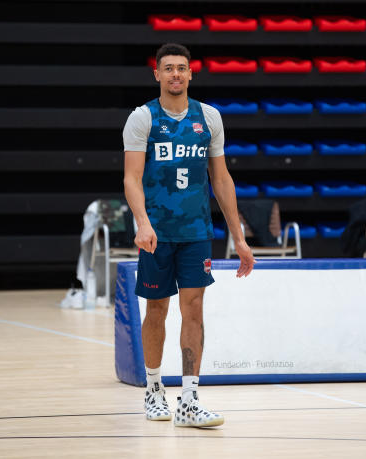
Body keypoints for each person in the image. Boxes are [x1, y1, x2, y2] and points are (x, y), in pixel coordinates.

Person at [122, 43, 255, 428]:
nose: (175, 74)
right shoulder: (142, 118)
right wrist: (142, 222)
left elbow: (221, 178)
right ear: (157, 74)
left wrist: (240, 238)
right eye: (168, 69)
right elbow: (131, 177)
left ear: (191, 73)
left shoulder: (209, 117)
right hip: (156, 232)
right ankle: (152, 390)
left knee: (193, 309)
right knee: (157, 309)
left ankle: (190, 398)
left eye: (182, 68)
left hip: (197, 230)